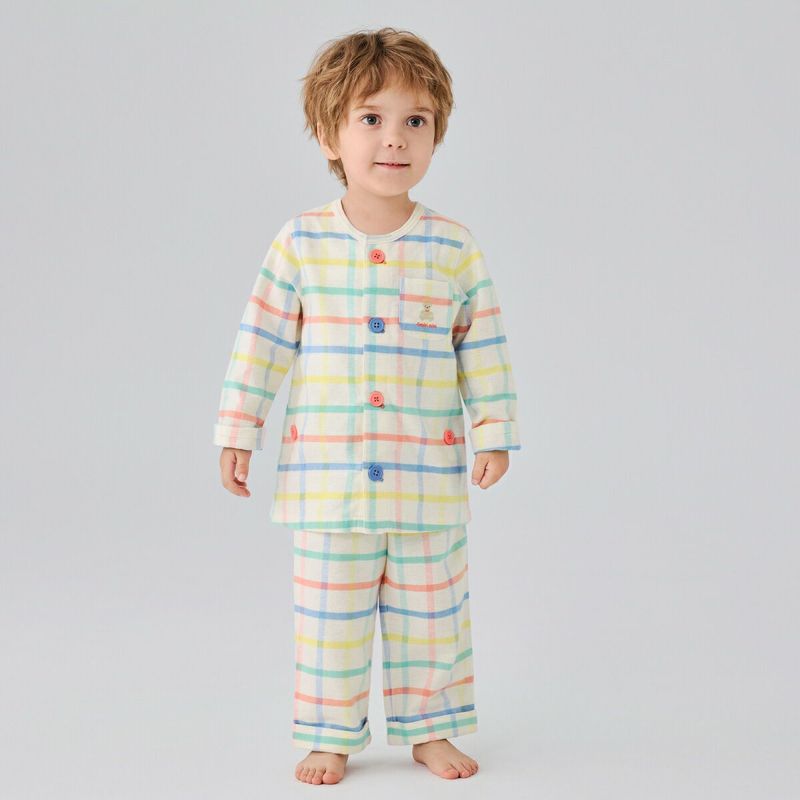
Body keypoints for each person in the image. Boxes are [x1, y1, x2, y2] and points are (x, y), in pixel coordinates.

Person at [212, 27, 521, 785]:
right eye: (371, 118)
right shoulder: (301, 243)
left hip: (426, 480)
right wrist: (239, 429)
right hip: (327, 483)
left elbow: (481, 345)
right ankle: (329, 734)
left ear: (437, 133)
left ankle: (430, 728)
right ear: (329, 135)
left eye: (416, 120)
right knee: (330, 620)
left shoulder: (453, 248)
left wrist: (494, 431)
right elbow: (262, 340)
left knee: (432, 614)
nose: (395, 138)